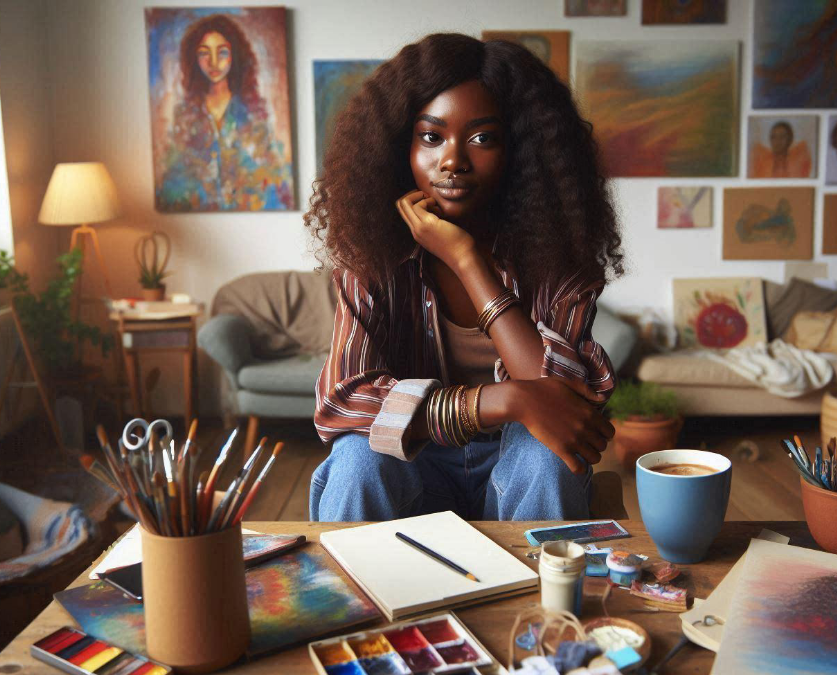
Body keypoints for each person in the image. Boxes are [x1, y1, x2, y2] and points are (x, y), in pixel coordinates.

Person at [304, 33, 625, 522]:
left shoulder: (559, 260)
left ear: (519, 151)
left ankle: (548, 598)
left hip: (516, 471)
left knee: (544, 453)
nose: (452, 160)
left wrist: (467, 260)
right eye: (432, 137)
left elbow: (561, 408)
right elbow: (342, 401)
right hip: (413, 470)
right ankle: (350, 598)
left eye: (482, 138)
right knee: (358, 459)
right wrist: (505, 400)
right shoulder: (372, 260)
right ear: (401, 147)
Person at [156, 14, 293, 212]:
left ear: (234, 55)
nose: (213, 62)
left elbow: (274, 175)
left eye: (222, 53)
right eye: (204, 53)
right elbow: (173, 179)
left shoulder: (252, 112)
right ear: (194, 58)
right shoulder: (186, 114)